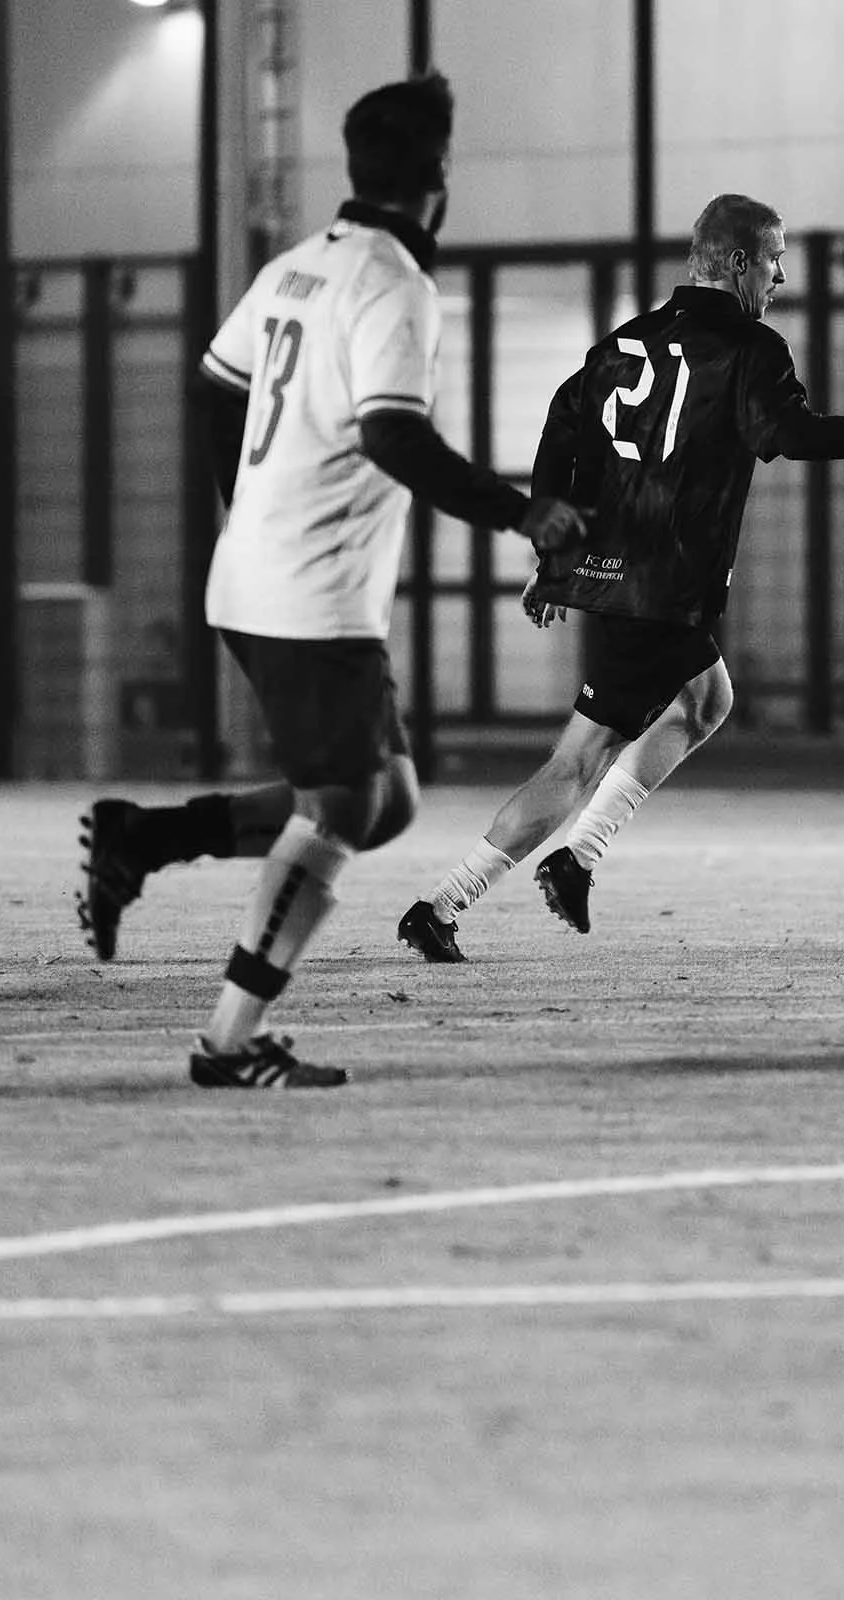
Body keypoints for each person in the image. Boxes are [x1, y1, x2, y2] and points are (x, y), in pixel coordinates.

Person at [392, 192, 844, 964]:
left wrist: (556, 560)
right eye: (774, 261)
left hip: (624, 583)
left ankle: (577, 859)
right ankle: (444, 903)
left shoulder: (624, 345)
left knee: (708, 699)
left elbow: (564, 439)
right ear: (738, 262)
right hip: (661, 593)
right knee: (578, 760)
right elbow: (792, 435)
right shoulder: (750, 350)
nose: (782, 278)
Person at [167, 70, 583, 1087]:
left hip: (273, 580)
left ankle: (155, 836)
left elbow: (215, 391)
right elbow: (393, 431)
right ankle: (228, 1037)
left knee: (384, 796)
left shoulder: (293, 266)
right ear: (438, 177)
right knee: (346, 804)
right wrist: (519, 507)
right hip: (309, 595)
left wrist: (248, 504)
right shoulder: (393, 281)